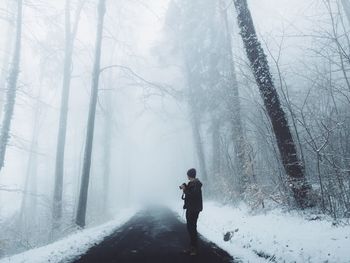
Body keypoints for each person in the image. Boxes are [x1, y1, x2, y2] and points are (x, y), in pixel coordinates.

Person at [180, 168, 203, 256]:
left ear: (189, 175)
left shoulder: (196, 184)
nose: (187, 176)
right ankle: (192, 247)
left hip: (194, 209)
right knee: (190, 228)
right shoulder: (191, 184)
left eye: (187, 175)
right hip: (190, 208)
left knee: (192, 228)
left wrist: (185, 189)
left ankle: (194, 249)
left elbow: (193, 195)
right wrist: (185, 187)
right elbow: (189, 194)